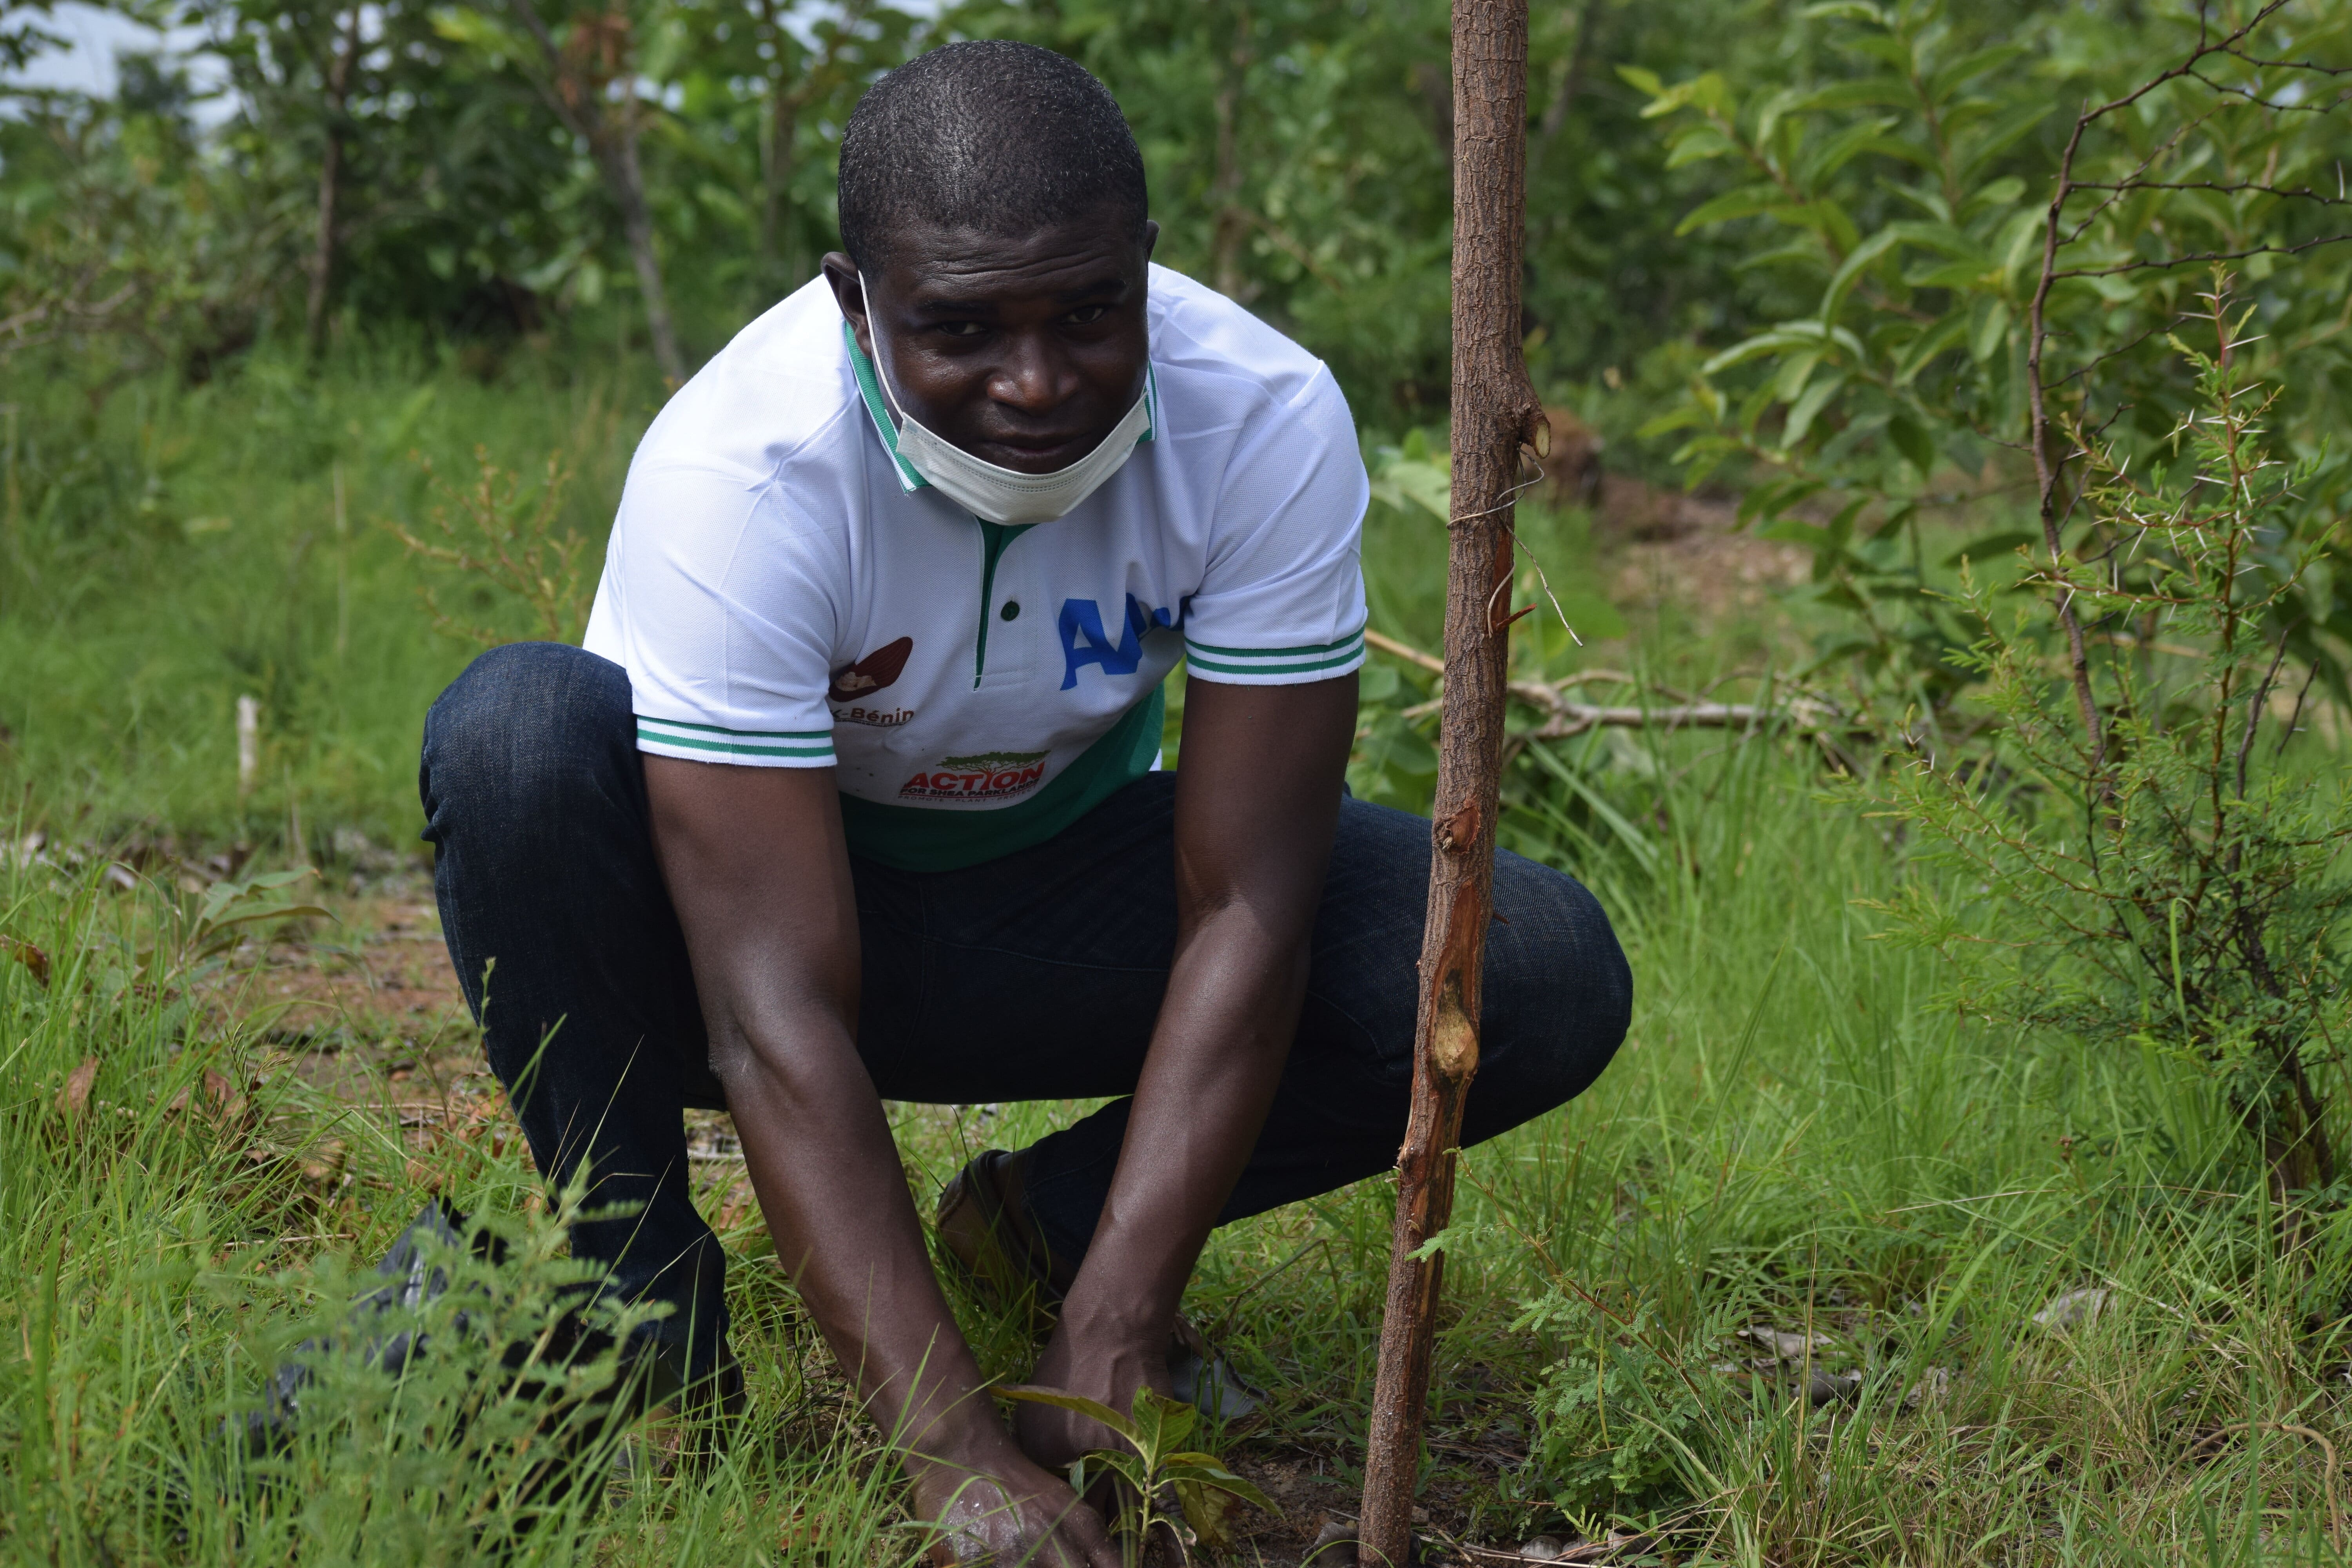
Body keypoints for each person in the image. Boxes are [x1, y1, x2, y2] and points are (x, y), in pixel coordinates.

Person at [418, 38, 1631, 1567]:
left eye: (1085, 311)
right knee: (516, 733)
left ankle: (1041, 1237)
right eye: (963, 329)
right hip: (748, 941)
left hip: (1050, 899)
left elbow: (1247, 897)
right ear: (856, 300)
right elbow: (775, 1018)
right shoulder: (745, 466)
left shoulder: (1258, 415)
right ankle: (639, 1321)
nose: (1038, 380)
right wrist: (951, 1445)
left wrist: (1120, 1315)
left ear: (1146, 268)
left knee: (1530, 964)